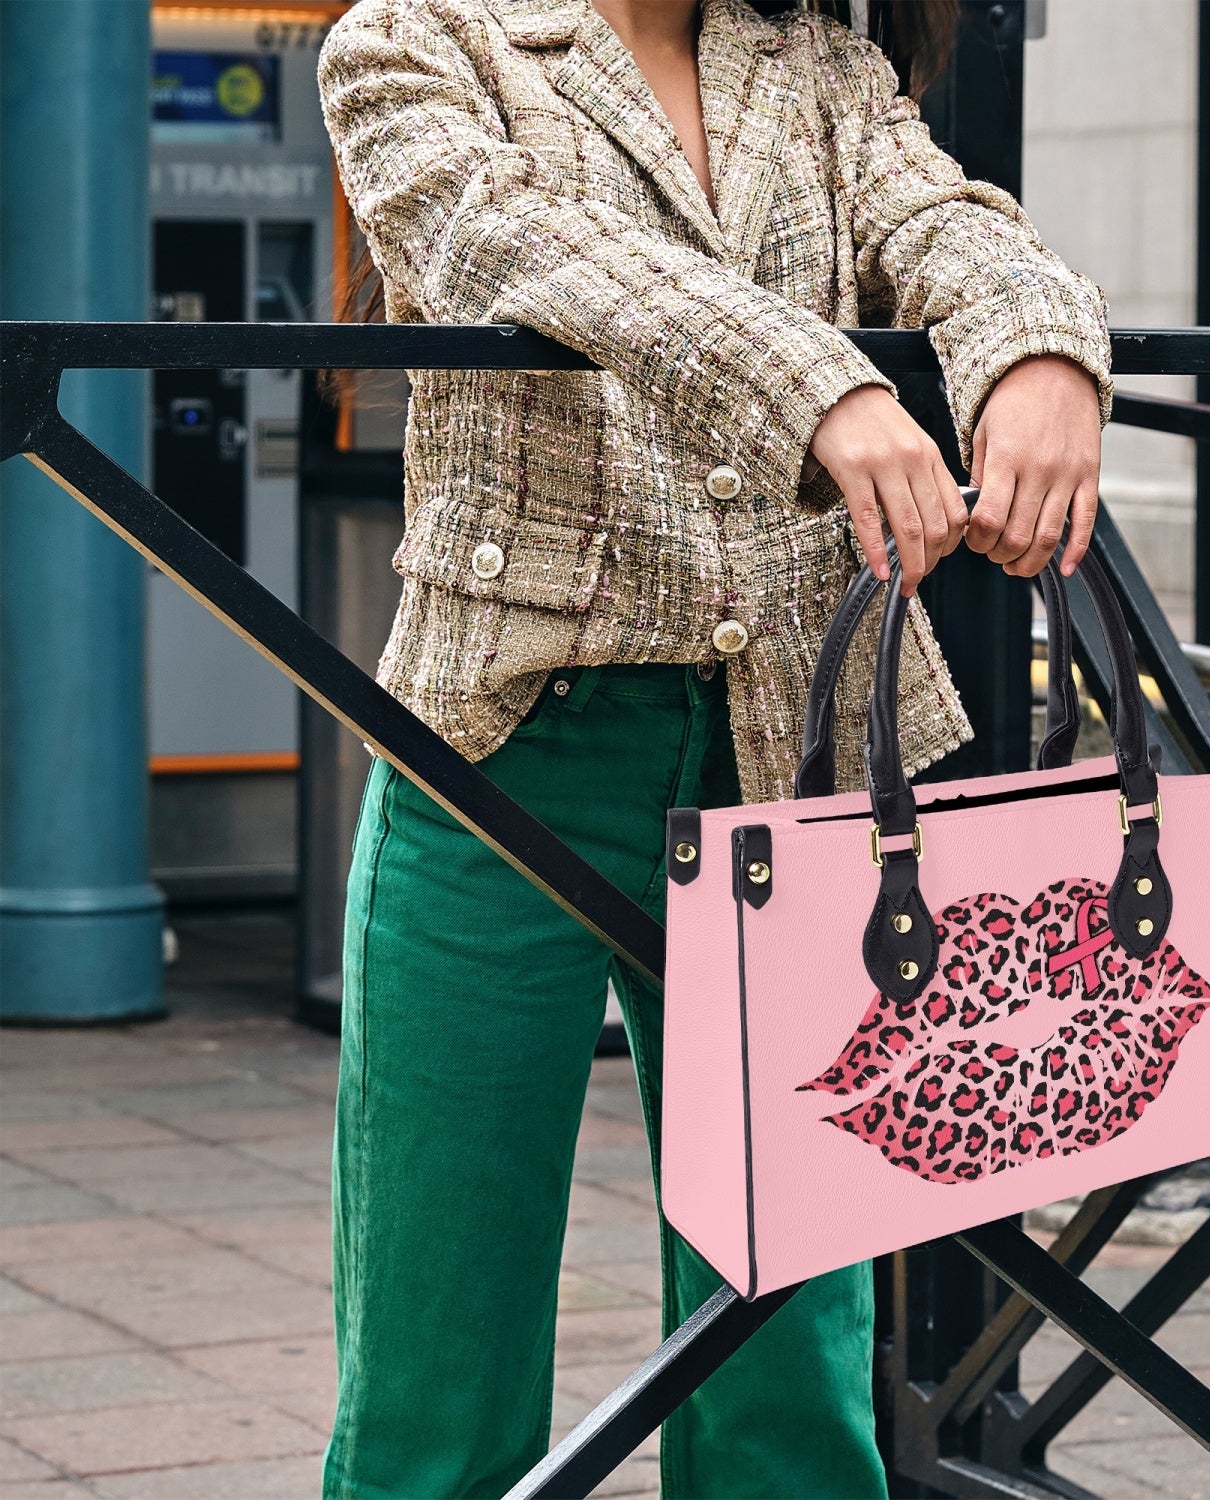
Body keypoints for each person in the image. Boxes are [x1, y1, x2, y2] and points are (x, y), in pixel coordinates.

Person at [314, 0, 1113, 1494]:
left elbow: (945, 223)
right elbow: (520, 244)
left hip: (792, 755)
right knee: (439, 1348)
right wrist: (831, 389)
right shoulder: (413, 38)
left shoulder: (813, 63)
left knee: (791, 1366)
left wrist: (1041, 353)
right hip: (507, 752)